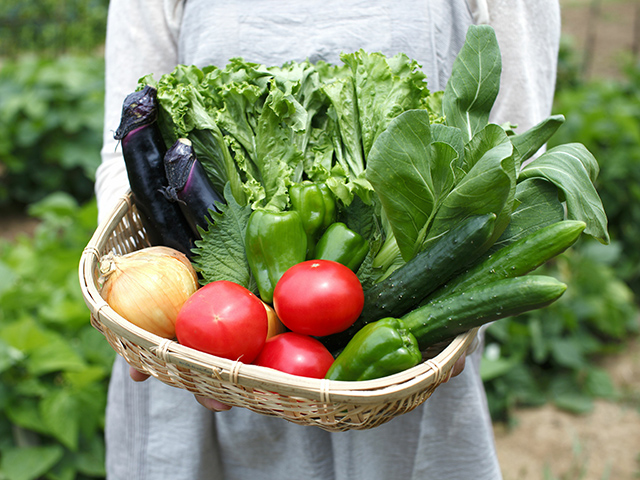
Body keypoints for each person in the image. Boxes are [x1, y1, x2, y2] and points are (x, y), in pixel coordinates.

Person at [96, 1, 561, 479]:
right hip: (193, 363)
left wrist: (457, 326)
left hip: (398, 390)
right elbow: (126, 156)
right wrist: (142, 316)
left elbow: (506, 163)